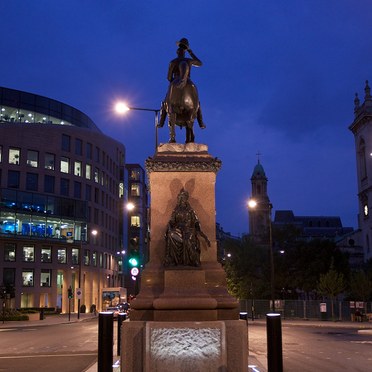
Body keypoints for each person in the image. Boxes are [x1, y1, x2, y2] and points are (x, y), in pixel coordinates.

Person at [159, 38, 206, 129]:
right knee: (197, 103)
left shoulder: (173, 62)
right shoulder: (189, 60)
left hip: (175, 80)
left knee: (165, 102)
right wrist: (191, 52)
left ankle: (161, 122)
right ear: (185, 52)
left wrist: (173, 81)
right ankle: (201, 123)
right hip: (188, 80)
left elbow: (168, 77)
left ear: (177, 52)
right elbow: (200, 63)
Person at [163, 188, 210, 267]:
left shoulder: (190, 210)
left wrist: (201, 233)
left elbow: (196, 221)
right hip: (178, 230)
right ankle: (171, 259)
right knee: (171, 234)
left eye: (184, 197)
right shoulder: (176, 210)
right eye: (181, 198)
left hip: (189, 230)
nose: (182, 199)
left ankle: (193, 260)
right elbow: (172, 220)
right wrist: (169, 226)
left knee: (188, 239)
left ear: (186, 198)